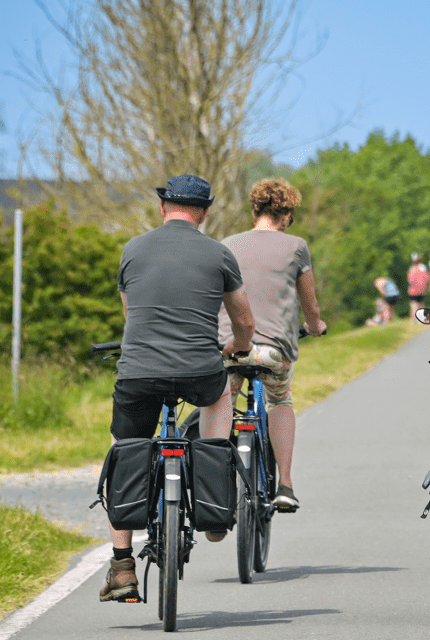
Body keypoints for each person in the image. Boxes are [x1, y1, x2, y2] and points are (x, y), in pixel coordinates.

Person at [101, 174, 256, 602]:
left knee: (125, 447)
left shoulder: (132, 250)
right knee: (220, 394)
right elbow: (244, 322)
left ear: (163, 208)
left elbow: (132, 318)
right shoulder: (219, 253)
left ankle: (122, 566)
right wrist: (237, 348)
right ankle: (213, 502)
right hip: (199, 370)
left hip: (139, 371)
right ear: (203, 212)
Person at [219, 177, 327, 512]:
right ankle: (285, 484)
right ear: (288, 214)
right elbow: (309, 306)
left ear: (255, 209)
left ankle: (216, 483)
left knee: (222, 402)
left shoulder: (226, 244)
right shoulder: (296, 246)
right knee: (280, 401)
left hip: (228, 347)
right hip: (273, 351)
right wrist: (315, 326)